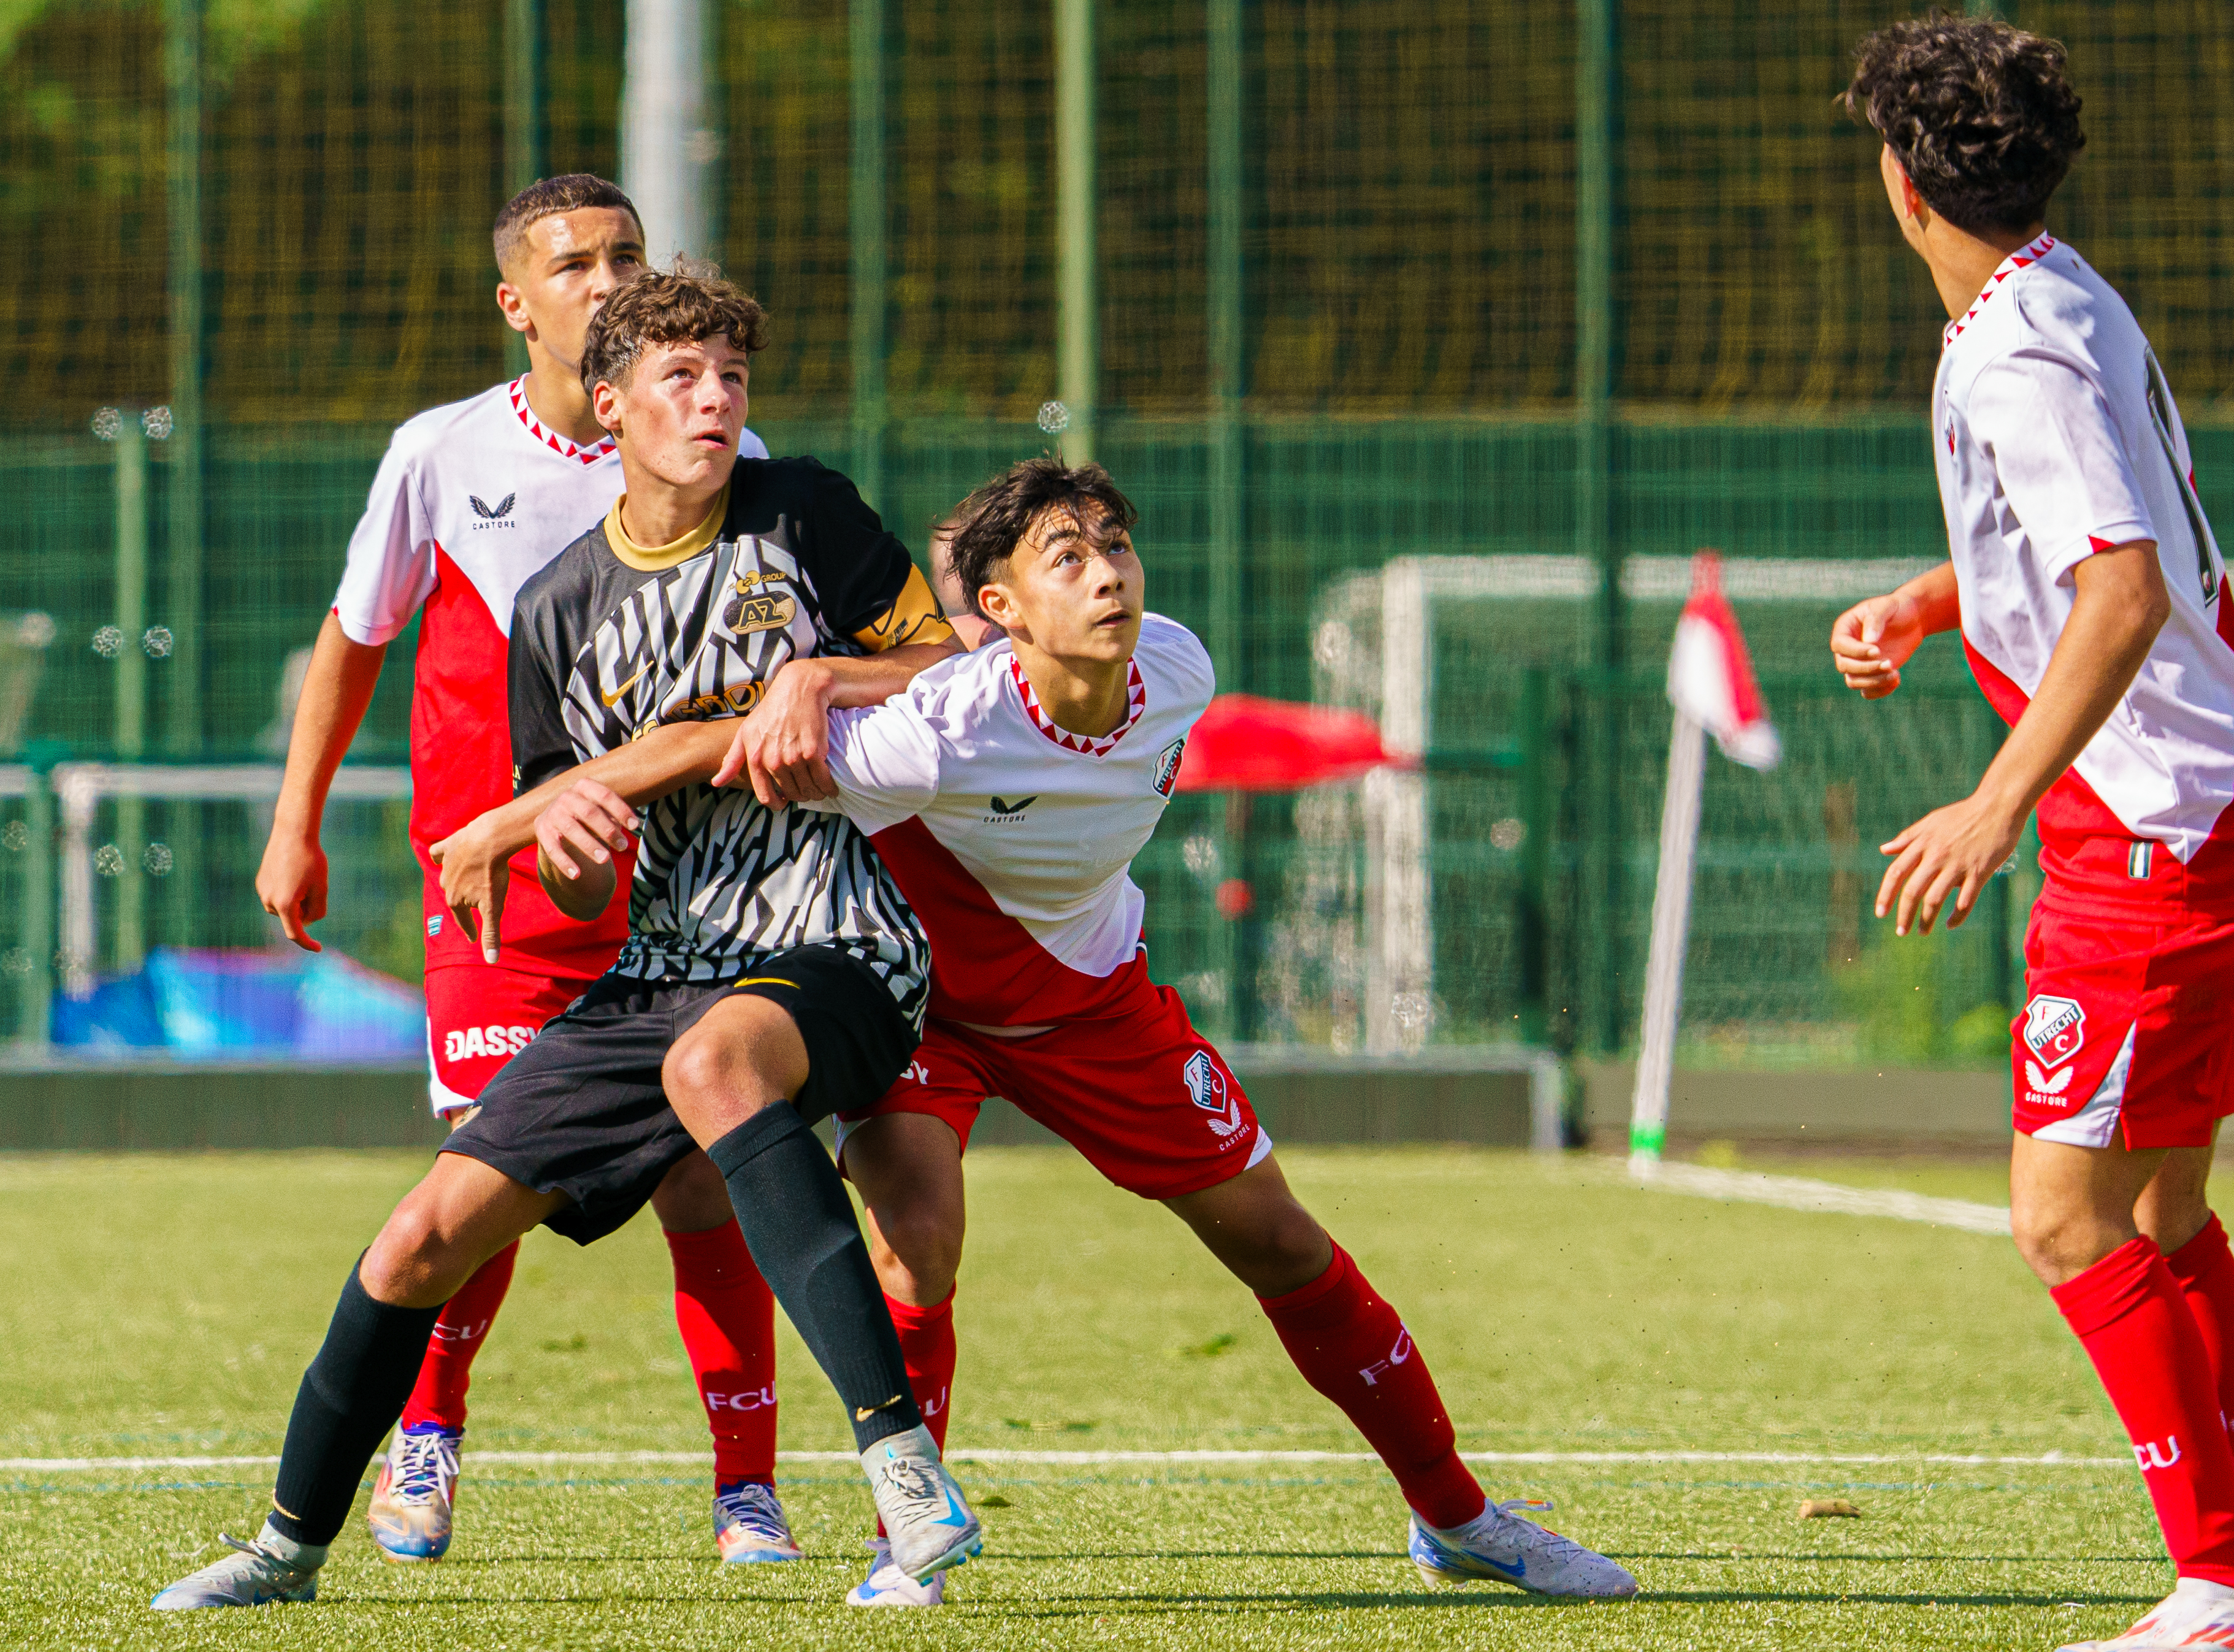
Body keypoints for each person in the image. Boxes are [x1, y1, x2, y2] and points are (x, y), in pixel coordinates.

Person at [486, 457, 1641, 1610]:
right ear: (998, 613)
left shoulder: (1179, 666)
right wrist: (525, 814)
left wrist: (822, 673)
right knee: (915, 1235)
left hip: (1094, 1002)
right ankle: (908, 1542)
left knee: (1282, 1243)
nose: (1108, 576)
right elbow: (713, 748)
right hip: (922, 1000)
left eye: (1116, 547)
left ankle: (1457, 1516)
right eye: (1067, 557)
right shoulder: (937, 729)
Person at [155, 266, 977, 1611]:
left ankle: (900, 1473)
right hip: (660, 971)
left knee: (717, 1072)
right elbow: (587, 875)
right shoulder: (553, 609)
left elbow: (953, 670)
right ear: (611, 407)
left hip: (835, 940)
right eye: (681, 378)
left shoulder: (805, 512)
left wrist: (821, 672)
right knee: (420, 1236)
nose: (714, 401)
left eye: (731, 378)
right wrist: (579, 861)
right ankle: (287, 1549)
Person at [1832, 20, 2234, 1652]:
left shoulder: (2012, 344)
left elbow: (2121, 582)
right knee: (2161, 1211)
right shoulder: (2056, 291)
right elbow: (2113, 540)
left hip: (2151, 828)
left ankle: (2225, 1586)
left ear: (1899, 183)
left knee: (2061, 1211)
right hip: (2208, 798)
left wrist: (1991, 799)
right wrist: (1934, 593)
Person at [251, 172, 797, 1569]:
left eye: (627, 255)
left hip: (679, 888)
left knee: (705, 1177)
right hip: (489, 890)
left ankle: (748, 1490)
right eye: (574, 265)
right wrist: (296, 820)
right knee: (483, 1169)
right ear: (517, 304)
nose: (608, 282)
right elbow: (355, 634)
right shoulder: (438, 451)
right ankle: (426, 1443)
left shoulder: (715, 451)